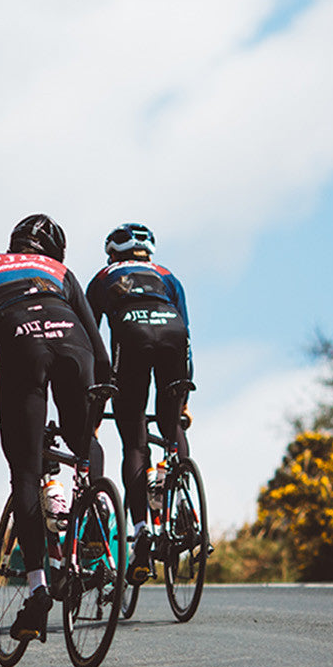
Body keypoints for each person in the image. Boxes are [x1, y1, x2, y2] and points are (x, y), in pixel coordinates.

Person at [0, 214, 111, 643]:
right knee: (83, 443)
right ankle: (92, 521)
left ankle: (37, 590)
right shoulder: (61, 272)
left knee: (27, 473)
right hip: (75, 346)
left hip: (21, 348)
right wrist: (92, 416)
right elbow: (104, 357)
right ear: (52, 253)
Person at [87, 222, 191, 584]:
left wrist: (95, 405)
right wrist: (183, 403)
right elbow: (187, 334)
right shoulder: (168, 276)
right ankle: (182, 504)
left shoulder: (103, 276)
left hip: (130, 338)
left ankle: (143, 529)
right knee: (171, 423)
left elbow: (90, 342)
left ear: (113, 253)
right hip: (173, 334)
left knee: (134, 440)